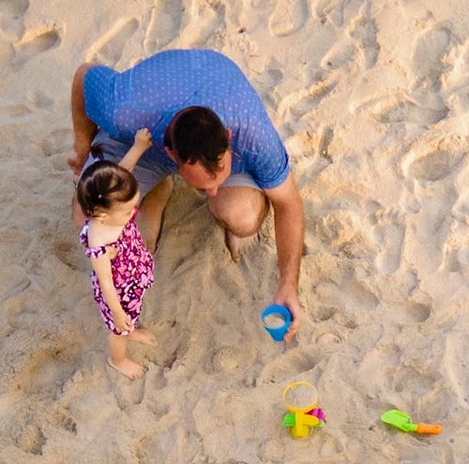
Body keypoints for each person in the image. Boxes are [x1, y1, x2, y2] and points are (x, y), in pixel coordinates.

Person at [67, 49, 307, 339]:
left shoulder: (251, 131)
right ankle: (157, 186)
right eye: (203, 187)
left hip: (211, 90)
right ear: (170, 154)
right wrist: (81, 150)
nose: (211, 193)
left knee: (242, 218)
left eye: (217, 179)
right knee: (88, 215)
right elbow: (83, 76)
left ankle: (156, 190)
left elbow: (289, 203)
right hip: (140, 141)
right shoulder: (125, 108)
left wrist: (287, 284)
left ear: (228, 139)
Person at [77, 127, 156, 379]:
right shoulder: (99, 240)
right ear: (101, 213)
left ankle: (130, 326)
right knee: (118, 329)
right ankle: (117, 359)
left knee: (133, 312)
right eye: (127, 211)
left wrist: (139, 146)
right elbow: (106, 283)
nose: (133, 211)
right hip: (117, 289)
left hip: (130, 270)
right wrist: (118, 312)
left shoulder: (114, 197)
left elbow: (124, 170)